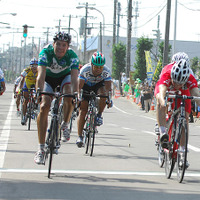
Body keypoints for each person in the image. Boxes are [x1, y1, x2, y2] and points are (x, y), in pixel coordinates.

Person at [34, 31, 79, 164]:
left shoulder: (73, 56)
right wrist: (39, 92)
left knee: (68, 94)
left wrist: (76, 94)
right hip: (48, 79)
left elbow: (75, 78)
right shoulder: (45, 52)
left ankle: (65, 124)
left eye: (63, 45)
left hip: (64, 78)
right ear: (53, 43)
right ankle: (41, 149)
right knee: (44, 106)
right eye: (58, 44)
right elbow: (40, 75)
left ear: (68, 46)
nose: (60, 48)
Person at [155, 59, 200, 155]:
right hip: (165, 87)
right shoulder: (167, 73)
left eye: (180, 83)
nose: (176, 85)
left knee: (186, 117)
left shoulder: (190, 78)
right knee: (160, 99)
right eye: (175, 82)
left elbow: (196, 93)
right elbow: (162, 90)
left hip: (183, 91)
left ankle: (182, 149)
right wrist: (163, 101)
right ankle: (163, 131)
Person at [76, 51, 112, 148]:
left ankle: (99, 115)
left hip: (98, 85)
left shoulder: (106, 71)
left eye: (100, 67)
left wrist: (109, 99)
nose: (98, 69)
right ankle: (79, 136)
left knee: (103, 95)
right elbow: (79, 88)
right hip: (86, 85)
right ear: (91, 64)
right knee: (83, 110)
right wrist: (79, 97)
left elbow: (108, 88)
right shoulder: (85, 70)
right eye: (96, 67)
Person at [18, 58, 38, 125]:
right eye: (33, 65)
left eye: (36, 65)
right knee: (25, 100)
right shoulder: (27, 70)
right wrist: (20, 89)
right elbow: (22, 79)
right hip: (27, 85)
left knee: (36, 97)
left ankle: (34, 108)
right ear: (30, 66)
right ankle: (24, 116)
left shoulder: (39, 70)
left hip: (35, 85)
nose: (34, 67)